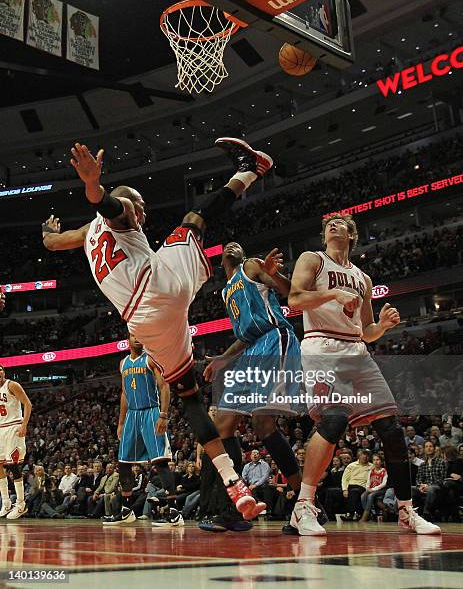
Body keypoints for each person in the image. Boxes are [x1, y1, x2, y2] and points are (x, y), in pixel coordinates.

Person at [42, 138, 273, 520]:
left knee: (190, 396)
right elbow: (110, 205)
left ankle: (234, 484)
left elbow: (54, 243)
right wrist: (93, 186)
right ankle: (252, 168)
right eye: (141, 204)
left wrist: (47, 231)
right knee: (193, 222)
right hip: (157, 287)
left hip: (144, 323)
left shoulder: (88, 233)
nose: (143, 211)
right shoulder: (124, 214)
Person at [288, 213, 441, 535]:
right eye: (328, 224)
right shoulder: (312, 259)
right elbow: (295, 299)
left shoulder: (363, 278)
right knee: (334, 420)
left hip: (357, 350)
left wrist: (382, 327)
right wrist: (332, 294)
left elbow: (366, 330)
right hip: (321, 346)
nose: (332, 225)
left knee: (391, 428)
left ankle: (405, 510)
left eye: (340, 223)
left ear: (352, 234)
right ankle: (303, 505)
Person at [202, 241, 305, 531]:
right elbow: (244, 336)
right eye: (228, 245)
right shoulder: (226, 290)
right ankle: (234, 508)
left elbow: (288, 293)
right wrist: (223, 358)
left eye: (238, 244)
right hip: (250, 351)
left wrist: (273, 274)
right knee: (222, 425)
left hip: (274, 339)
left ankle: (306, 500)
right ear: (221, 261)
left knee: (262, 424)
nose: (233, 245)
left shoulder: (251, 266)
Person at [104, 333, 173, 526]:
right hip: (132, 415)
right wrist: (120, 422)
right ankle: (127, 510)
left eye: (141, 336)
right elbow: (125, 394)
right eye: (134, 335)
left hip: (151, 411)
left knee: (160, 461)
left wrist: (163, 415)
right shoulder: (123, 363)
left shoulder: (151, 359)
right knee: (123, 463)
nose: (138, 339)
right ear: (127, 340)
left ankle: (173, 511)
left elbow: (164, 386)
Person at [0, 366, 32, 520]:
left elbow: (28, 404)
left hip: (13, 427)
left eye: (0, 370)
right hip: (0, 428)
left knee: (13, 465)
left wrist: (24, 424)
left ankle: (21, 503)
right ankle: (6, 503)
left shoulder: (11, 385)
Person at [412, 440, 446, 521]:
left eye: (430, 446)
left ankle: (426, 513)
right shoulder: (422, 464)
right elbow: (418, 479)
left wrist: (428, 486)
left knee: (431, 489)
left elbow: (442, 479)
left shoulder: (441, 462)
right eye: (426, 447)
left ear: (434, 449)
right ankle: (406, 513)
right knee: (410, 489)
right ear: (424, 449)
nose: (429, 448)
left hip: (437, 487)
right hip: (424, 487)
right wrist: (420, 486)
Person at [360, 453, 388, 522]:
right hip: (371, 489)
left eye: (378, 460)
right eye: (374, 460)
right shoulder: (371, 471)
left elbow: (383, 484)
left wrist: (373, 489)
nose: (376, 461)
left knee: (370, 496)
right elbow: (368, 482)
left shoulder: (384, 471)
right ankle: (369, 513)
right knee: (363, 496)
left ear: (381, 461)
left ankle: (365, 516)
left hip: (381, 490)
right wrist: (367, 488)